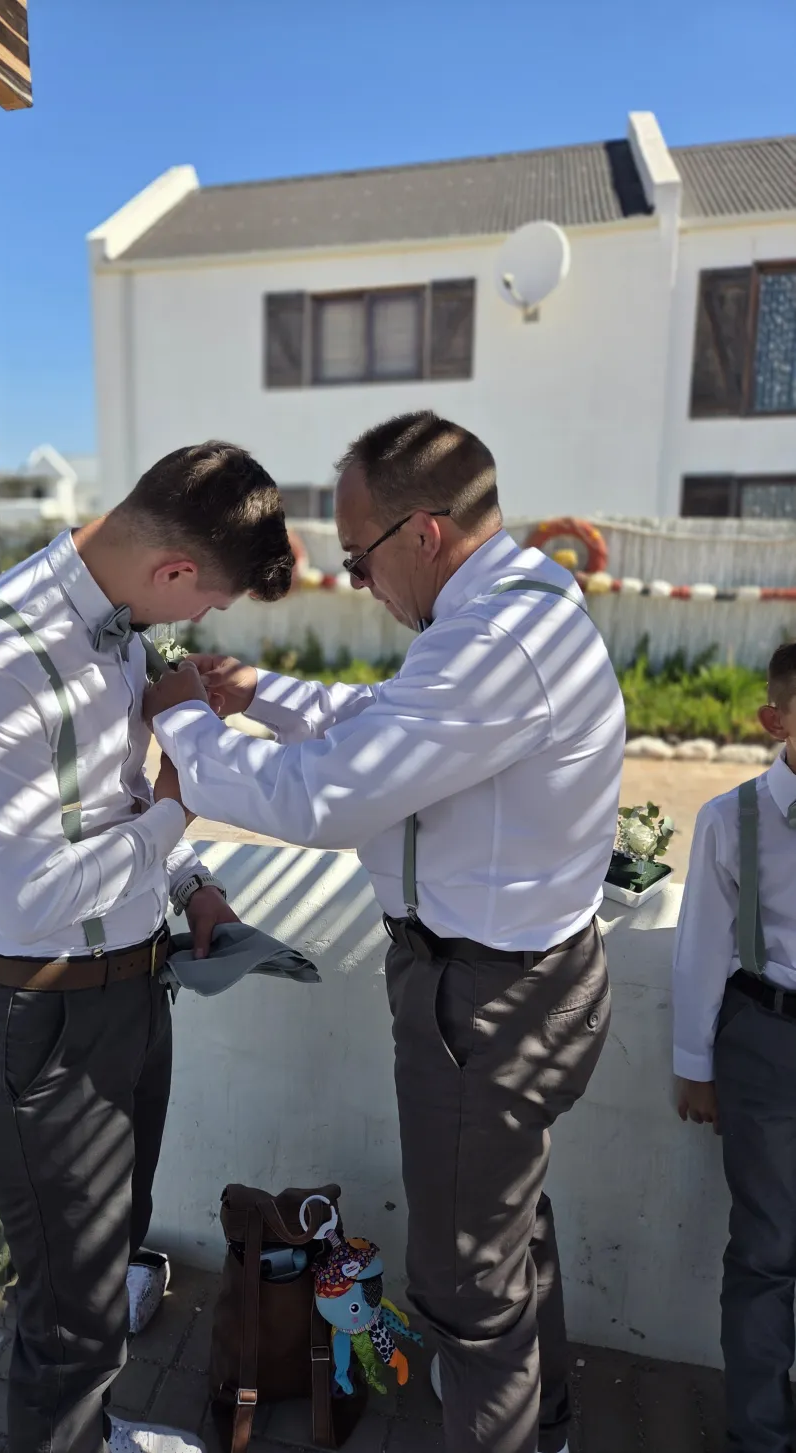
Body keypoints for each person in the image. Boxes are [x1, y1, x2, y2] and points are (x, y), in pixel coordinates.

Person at [144, 411, 625, 1453]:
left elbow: (329, 796)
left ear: (425, 533)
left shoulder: (500, 642)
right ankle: (545, 1425)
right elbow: (397, 724)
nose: (359, 580)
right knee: (505, 1224)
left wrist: (184, 719)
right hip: (516, 980)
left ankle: (508, 1424)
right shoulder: (507, 610)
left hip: (486, 1000)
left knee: (465, 1288)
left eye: (360, 557)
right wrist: (262, 695)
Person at [0, 442, 294, 1453]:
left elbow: (115, 806)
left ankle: (94, 1431)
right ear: (174, 569)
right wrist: (178, 810)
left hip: (132, 992)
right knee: (67, 1317)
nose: (197, 623)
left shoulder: (118, 632)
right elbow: (30, 894)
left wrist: (192, 886)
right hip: (43, 1021)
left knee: (110, 1256)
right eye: (206, 601)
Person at [673, 641, 796, 1453]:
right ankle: (760, 1434)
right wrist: (695, 1066)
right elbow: (701, 946)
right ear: (774, 721)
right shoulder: (732, 819)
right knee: (767, 1245)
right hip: (767, 1041)